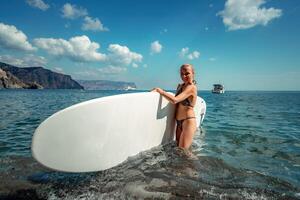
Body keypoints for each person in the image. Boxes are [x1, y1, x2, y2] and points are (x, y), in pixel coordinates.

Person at [151, 64, 197, 150]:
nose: (184, 76)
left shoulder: (192, 87)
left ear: (193, 73)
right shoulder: (180, 86)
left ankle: (198, 163)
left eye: (187, 73)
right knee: (178, 150)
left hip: (188, 121)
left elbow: (175, 100)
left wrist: (160, 91)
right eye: (181, 74)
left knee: (184, 152)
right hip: (178, 122)